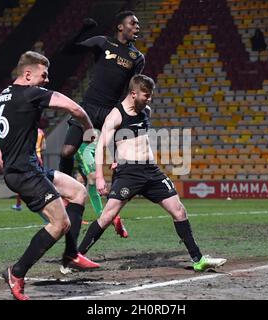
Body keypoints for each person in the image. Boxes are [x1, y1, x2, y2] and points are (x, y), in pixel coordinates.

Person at [78, 74, 227, 272]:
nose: (149, 99)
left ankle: (198, 259)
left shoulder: (145, 111)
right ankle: (75, 257)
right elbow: (100, 146)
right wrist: (99, 175)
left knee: (179, 211)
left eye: (150, 96)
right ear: (133, 94)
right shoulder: (116, 115)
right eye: (146, 95)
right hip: (129, 173)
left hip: (152, 171)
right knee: (107, 217)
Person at [0, 51, 99, 300]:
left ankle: (71, 254)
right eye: (44, 74)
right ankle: (16, 272)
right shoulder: (30, 93)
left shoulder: (1, 97)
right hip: (25, 172)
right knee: (60, 223)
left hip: (25, 167)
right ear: (27, 74)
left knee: (78, 192)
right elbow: (74, 107)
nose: (47, 80)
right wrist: (89, 130)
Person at [58, 11, 145, 238]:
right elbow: (70, 50)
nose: (137, 27)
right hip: (88, 106)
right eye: (133, 23)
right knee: (66, 151)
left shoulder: (137, 57)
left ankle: (113, 209)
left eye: (138, 24)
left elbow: (132, 90)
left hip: (110, 111)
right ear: (120, 26)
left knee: (119, 161)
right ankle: (63, 196)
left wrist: (128, 114)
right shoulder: (101, 43)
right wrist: (83, 30)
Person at [11, 127, 46, 211]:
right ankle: (44, 201)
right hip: (39, 157)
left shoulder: (28, 130)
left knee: (22, 181)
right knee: (41, 182)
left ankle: (19, 204)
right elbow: (44, 147)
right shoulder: (41, 132)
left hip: (30, 157)